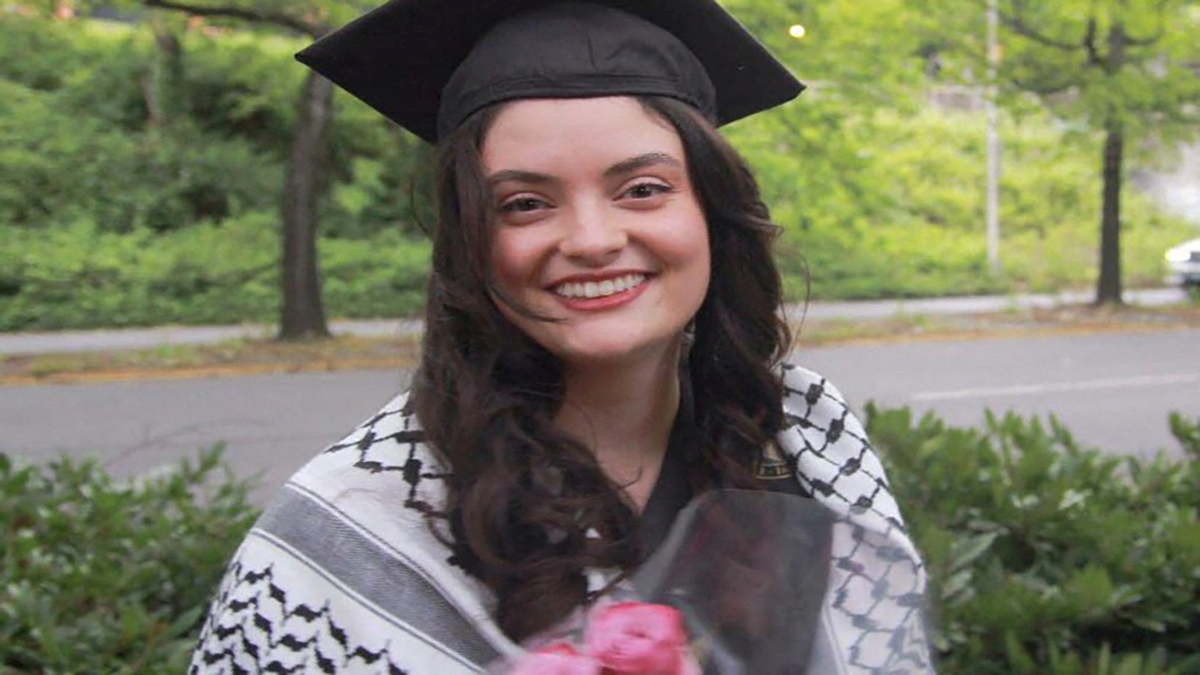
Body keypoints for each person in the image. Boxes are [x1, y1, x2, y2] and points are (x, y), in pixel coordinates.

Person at [189, 1, 931, 673]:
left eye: (642, 188)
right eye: (524, 203)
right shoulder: (354, 524)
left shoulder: (805, 434)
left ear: (713, 210)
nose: (591, 239)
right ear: (471, 243)